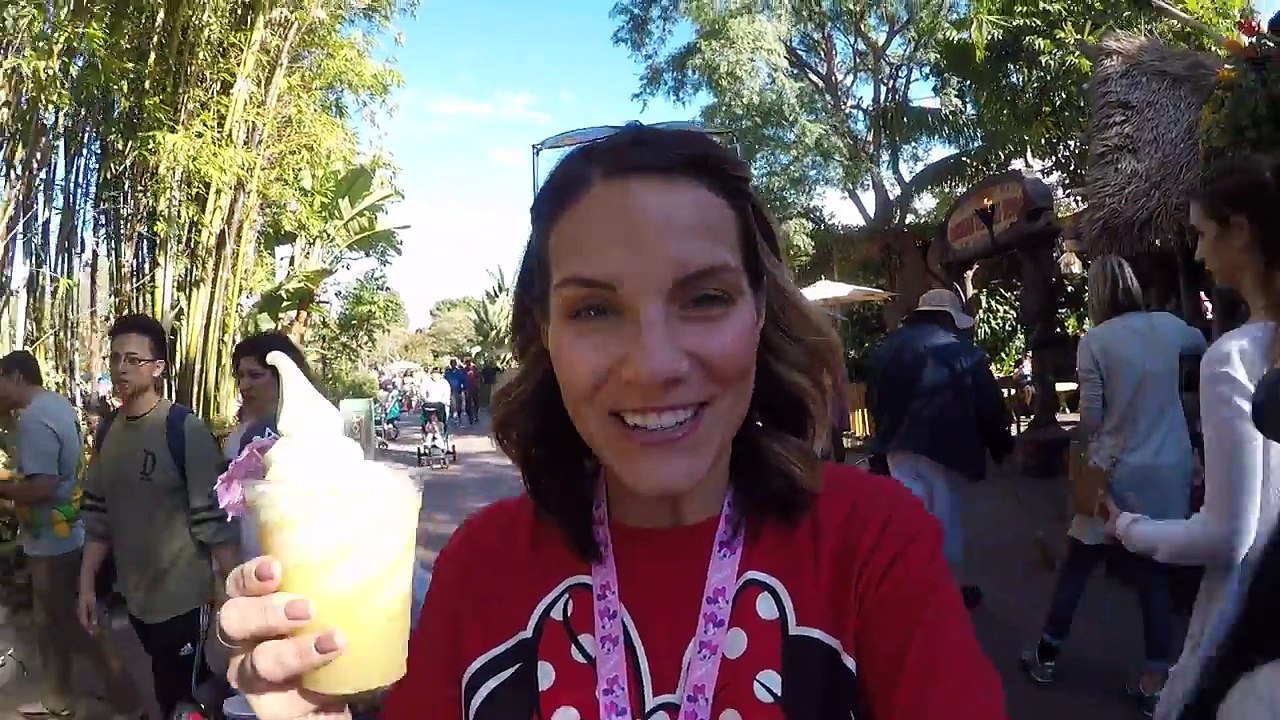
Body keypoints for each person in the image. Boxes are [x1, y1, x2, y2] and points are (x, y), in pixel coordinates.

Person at [216, 125, 1005, 720]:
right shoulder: (477, 569)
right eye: (594, 309)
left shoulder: (871, 544)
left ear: (761, 314)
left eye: (704, 298)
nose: (653, 362)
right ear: (544, 338)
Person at [1106, 155, 1280, 720]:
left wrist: (1126, 528)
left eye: (1204, 234)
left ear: (1241, 232)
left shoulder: (1232, 359)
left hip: (1251, 626)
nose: (1200, 254)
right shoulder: (1205, 342)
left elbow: (1230, 537)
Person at [1019, 256, 1207, 714]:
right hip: (1169, 467)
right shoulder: (1167, 326)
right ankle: (1154, 678)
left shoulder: (1096, 341)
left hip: (1114, 469)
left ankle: (1047, 653)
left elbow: (1091, 419)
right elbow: (1203, 342)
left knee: (1080, 561)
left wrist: (1081, 448)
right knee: (1154, 575)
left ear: (1097, 294)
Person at [76, 313, 242, 719]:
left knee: (185, 700)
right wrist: (86, 587)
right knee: (164, 686)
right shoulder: (109, 430)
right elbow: (99, 515)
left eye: (133, 359)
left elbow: (213, 521)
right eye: (116, 358)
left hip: (186, 600)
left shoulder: (183, 429)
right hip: (136, 598)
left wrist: (236, 594)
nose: (121, 368)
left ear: (158, 368)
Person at [0, 351, 143, 719]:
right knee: (49, 623)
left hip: (54, 542)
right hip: (61, 532)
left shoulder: (34, 418)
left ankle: (128, 701)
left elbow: (43, 485)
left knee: (79, 623)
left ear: (15, 376)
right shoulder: (57, 406)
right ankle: (56, 698)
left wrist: (4, 490)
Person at [866, 287, 1015, 609]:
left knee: (911, 519)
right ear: (949, 318)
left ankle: (911, 589)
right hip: (948, 449)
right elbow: (989, 406)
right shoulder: (964, 353)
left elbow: (874, 400)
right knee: (945, 521)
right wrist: (1002, 447)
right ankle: (943, 596)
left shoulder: (887, 348)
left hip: (898, 448)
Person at [443, 358, 465, 423]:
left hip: (458, 390)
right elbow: (445, 381)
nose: (453, 365)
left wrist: (463, 388)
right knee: (452, 403)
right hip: (450, 390)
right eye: (451, 363)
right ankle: (452, 414)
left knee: (458, 404)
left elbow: (463, 380)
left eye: (454, 363)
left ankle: (459, 415)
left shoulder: (459, 372)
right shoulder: (447, 373)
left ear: (455, 364)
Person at [462, 358, 481, 424]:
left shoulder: (475, 369)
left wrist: (478, 384)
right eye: (467, 363)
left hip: (475, 388)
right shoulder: (464, 370)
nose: (469, 365)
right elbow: (463, 379)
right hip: (468, 389)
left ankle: (476, 415)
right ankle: (470, 416)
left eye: (469, 363)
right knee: (468, 404)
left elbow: (479, 377)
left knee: (476, 403)